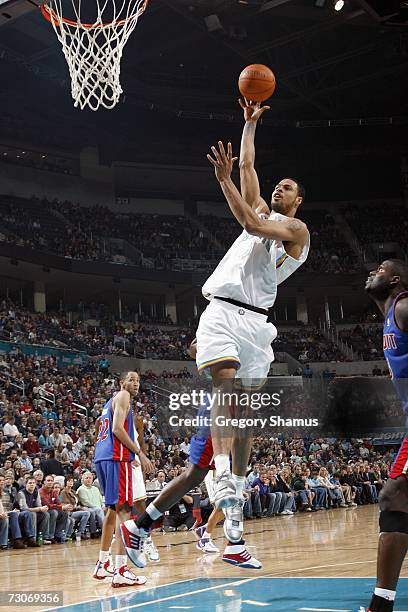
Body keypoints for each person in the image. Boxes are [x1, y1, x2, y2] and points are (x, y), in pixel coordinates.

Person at [195, 100, 309, 542]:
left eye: (285, 188)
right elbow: (247, 167)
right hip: (223, 309)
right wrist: (248, 124)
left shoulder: (296, 232)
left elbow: (247, 217)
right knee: (223, 386)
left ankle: (236, 494)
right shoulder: (262, 209)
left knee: (245, 418)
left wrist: (225, 185)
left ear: (297, 201)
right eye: (275, 185)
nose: (277, 190)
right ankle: (221, 474)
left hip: (258, 325)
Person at [121, 342, 261, 570]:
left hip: (231, 413)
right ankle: (229, 542)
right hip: (219, 414)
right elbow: (195, 348)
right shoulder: (225, 328)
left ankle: (141, 526)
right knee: (199, 477)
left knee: (196, 477)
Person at [362, 259, 408, 612]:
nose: (370, 272)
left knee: (393, 496)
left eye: (379, 268)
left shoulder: (405, 307)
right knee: (396, 500)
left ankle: (381, 607)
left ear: (394, 279)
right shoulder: (392, 315)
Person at [93, 371, 150, 588]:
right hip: (116, 458)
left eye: (138, 380)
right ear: (122, 383)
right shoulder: (123, 396)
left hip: (103, 456)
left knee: (112, 510)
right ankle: (121, 570)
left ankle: (102, 563)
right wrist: (138, 453)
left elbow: (103, 427)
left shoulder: (110, 402)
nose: (135, 383)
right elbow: (117, 428)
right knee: (125, 510)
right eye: (132, 380)